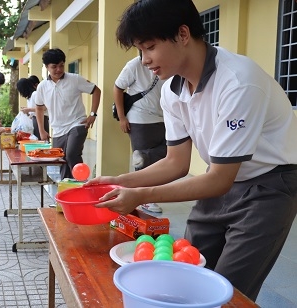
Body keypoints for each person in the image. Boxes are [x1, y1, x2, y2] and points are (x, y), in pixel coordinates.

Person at [88, 0, 297, 301]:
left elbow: (219, 179)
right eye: (140, 51)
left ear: (183, 34)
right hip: (220, 181)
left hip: (268, 187)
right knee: (186, 268)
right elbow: (175, 163)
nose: (145, 60)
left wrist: (142, 196)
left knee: (227, 291)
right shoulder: (172, 90)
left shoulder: (238, 82)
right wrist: (120, 181)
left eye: (149, 47)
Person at [33, 48, 102, 179]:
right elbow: (39, 108)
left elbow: (96, 91)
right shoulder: (42, 86)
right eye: (54, 67)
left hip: (77, 123)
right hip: (58, 129)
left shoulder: (75, 79)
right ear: (47, 67)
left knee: (71, 154)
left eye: (61, 65)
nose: (59, 69)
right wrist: (42, 130)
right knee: (62, 160)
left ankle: (82, 184)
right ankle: (67, 191)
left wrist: (93, 114)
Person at [114, 52, 166, 213]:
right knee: (143, 166)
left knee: (164, 155)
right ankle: (144, 199)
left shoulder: (167, 62)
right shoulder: (134, 65)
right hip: (138, 117)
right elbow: (118, 88)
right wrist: (122, 117)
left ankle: (144, 156)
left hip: (161, 117)